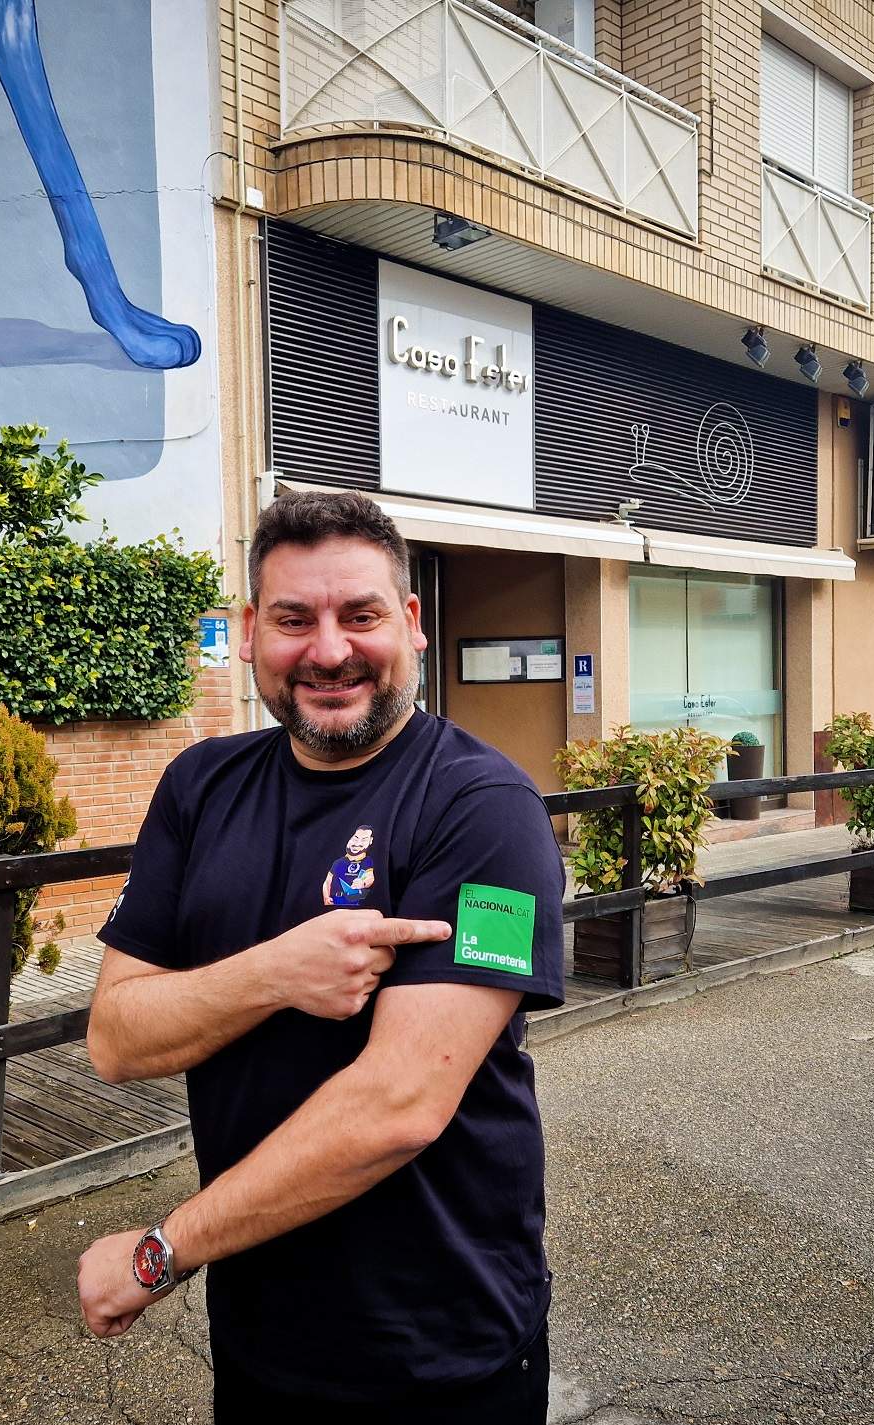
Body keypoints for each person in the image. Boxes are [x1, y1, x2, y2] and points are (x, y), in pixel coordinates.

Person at [76, 489, 565, 1421]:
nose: (330, 650)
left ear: (412, 624)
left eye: (361, 615)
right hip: (261, 1340)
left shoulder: (487, 810)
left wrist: (160, 1252)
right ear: (253, 630)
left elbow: (400, 1105)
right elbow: (115, 1037)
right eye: (295, 619)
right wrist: (276, 972)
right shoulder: (199, 786)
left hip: (443, 1355)